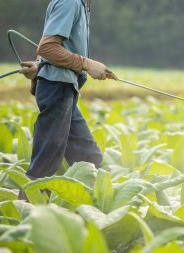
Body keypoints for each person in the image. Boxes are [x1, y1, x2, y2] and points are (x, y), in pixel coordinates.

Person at [19, 0, 116, 184]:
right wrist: (87, 64)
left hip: (65, 89)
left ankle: (87, 209)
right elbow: (47, 47)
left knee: (88, 158)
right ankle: (26, 209)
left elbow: (57, 49)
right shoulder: (70, 2)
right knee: (46, 163)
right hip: (58, 89)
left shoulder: (81, 4)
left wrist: (40, 66)